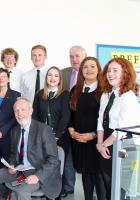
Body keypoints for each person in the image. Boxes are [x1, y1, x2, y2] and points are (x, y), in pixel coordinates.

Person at [0, 97, 61, 200]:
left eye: (23, 109)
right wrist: (12, 164)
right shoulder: (15, 131)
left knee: (21, 191)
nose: (19, 113)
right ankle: (6, 196)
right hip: (19, 170)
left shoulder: (44, 129)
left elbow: (53, 160)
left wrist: (37, 176)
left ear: (31, 111)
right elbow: (13, 154)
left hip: (38, 172)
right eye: (16, 111)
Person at [96, 57, 140, 200]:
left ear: (125, 74)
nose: (110, 74)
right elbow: (100, 121)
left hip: (122, 144)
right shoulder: (106, 95)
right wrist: (99, 143)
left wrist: (103, 145)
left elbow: (121, 129)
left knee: (117, 188)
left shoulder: (128, 96)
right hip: (106, 142)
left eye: (115, 70)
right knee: (103, 184)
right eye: (109, 71)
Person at [69, 57, 105, 200]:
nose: (89, 70)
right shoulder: (75, 90)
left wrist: (93, 135)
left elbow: (105, 120)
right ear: (81, 71)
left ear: (98, 70)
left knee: (99, 177)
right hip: (78, 140)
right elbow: (70, 115)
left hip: (96, 142)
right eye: (85, 67)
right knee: (85, 175)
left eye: (92, 66)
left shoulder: (104, 91)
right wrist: (72, 132)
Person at [61, 45, 87, 197]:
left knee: (87, 159)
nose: (74, 59)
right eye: (71, 56)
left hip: (85, 123)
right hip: (66, 122)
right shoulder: (63, 73)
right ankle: (69, 188)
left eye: (77, 56)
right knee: (68, 157)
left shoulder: (92, 73)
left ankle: (92, 191)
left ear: (84, 56)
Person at [0, 68, 21, 171]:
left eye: (4, 77)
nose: (1, 79)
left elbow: (17, 116)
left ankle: (6, 187)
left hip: (8, 135)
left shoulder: (16, 95)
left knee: (8, 165)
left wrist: (2, 131)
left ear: (8, 79)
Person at [32, 66, 70, 152]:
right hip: (42, 135)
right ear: (46, 78)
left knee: (58, 163)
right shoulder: (39, 93)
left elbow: (65, 117)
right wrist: (40, 132)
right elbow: (34, 115)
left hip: (60, 136)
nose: (53, 78)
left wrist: (56, 136)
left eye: (56, 76)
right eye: (50, 75)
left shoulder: (65, 94)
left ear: (60, 79)